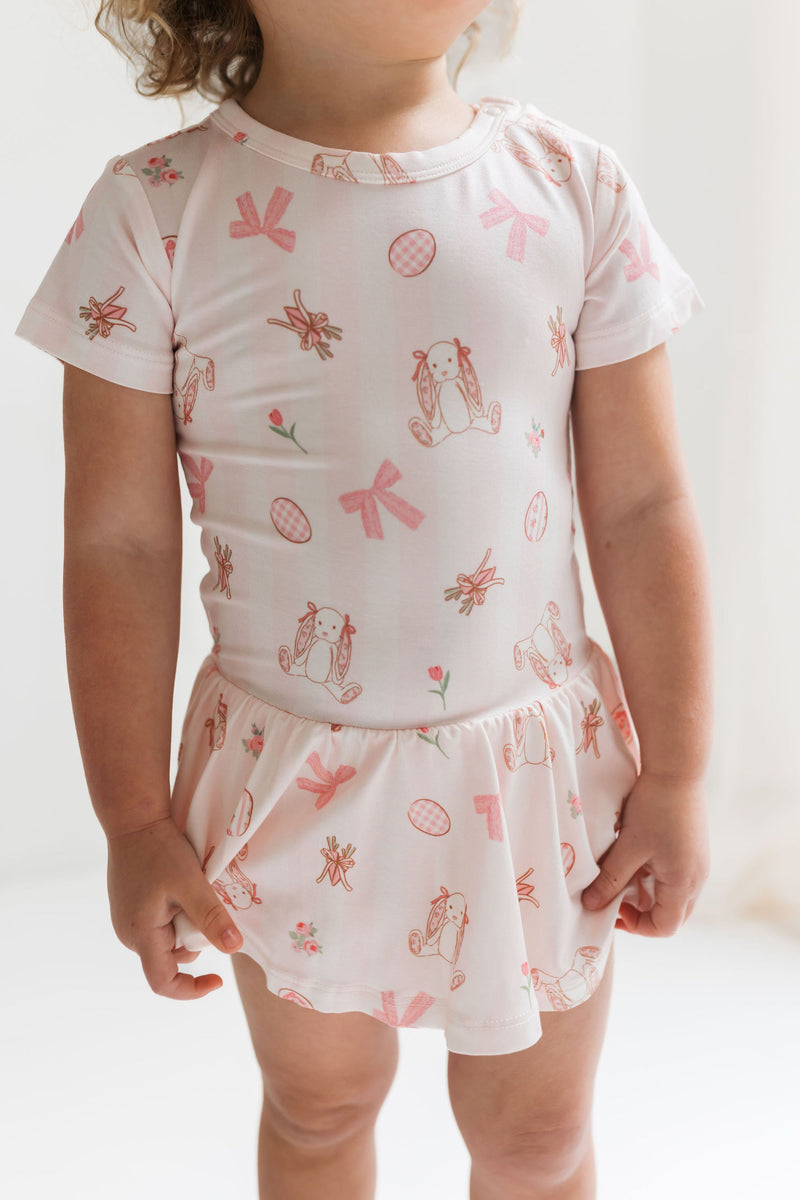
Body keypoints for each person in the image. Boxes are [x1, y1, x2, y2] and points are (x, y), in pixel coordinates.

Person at [14, 1, 713, 1196]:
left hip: (525, 786)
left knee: (536, 1140)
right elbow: (116, 545)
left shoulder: (569, 187)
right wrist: (132, 821)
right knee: (318, 1106)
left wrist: (680, 775)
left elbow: (642, 508)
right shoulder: (155, 213)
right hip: (290, 787)